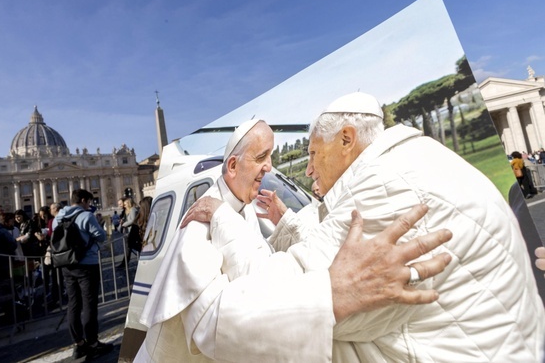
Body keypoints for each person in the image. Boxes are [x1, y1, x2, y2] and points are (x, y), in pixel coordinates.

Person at [221, 93, 545, 361]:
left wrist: (223, 220)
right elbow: (330, 249)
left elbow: (280, 305)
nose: (307, 169)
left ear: (346, 139)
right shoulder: (414, 159)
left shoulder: (388, 185)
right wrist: (286, 223)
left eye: (314, 153)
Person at [135, 119, 453, 362]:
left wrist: (284, 220)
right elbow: (211, 324)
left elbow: (270, 262)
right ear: (232, 166)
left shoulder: (240, 206)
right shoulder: (201, 219)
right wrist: (330, 297)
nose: (269, 167)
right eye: (262, 157)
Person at [53, 189, 113, 360]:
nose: (90, 205)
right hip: (87, 264)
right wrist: (98, 223)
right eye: (89, 202)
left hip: (67, 264)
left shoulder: (59, 218)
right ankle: (93, 343)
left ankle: (78, 344)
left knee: (73, 303)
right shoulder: (86, 216)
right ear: (84, 200)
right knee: (89, 304)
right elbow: (101, 237)